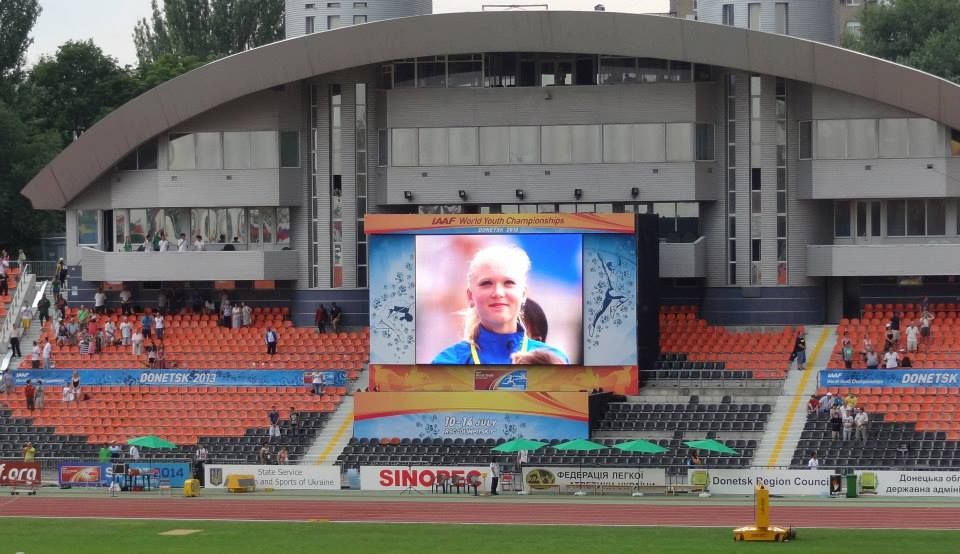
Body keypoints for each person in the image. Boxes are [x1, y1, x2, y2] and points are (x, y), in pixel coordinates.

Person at [432, 245, 569, 365]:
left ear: (523, 294)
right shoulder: (447, 362)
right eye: (486, 283)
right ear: (470, 296)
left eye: (509, 283)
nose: (498, 292)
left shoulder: (552, 360)